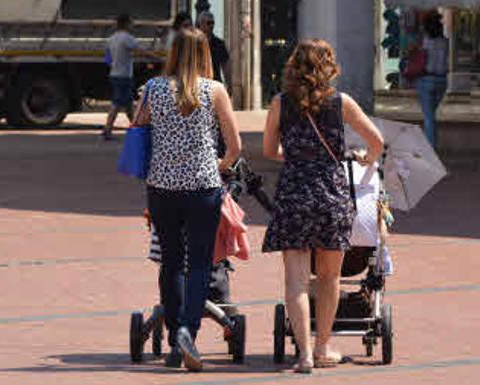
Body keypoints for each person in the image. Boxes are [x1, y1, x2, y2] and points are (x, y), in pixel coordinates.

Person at [262, 39, 384, 374]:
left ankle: (302, 354)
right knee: (330, 277)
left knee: (296, 281)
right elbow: (377, 141)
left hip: (294, 194)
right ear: (328, 67)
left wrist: (298, 156)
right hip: (332, 195)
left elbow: (270, 150)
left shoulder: (280, 103)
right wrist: (365, 158)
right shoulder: (341, 102)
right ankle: (322, 348)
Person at [133, 27, 241, 371]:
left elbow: (137, 128)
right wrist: (219, 167)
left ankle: (174, 329)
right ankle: (187, 332)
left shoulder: (153, 89)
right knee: (199, 263)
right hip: (202, 188)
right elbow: (235, 147)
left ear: (174, 53)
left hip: (162, 188)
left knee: (170, 261)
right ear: (205, 54)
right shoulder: (215, 91)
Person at [102, 14, 155, 140]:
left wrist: (116, 63)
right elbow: (141, 50)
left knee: (128, 103)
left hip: (115, 73)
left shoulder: (112, 38)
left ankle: (136, 128)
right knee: (117, 102)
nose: (133, 25)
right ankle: (108, 129)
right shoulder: (127, 38)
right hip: (124, 76)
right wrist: (155, 57)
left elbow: (107, 58)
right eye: (131, 23)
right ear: (125, 24)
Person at [415, 11, 449, 148]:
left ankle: (430, 148)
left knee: (429, 118)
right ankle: (430, 143)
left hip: (426, 80)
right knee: (431, 116)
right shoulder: (445, 42)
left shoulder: (424, 42)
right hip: (442, 81)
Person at [198, 11, 230, 86]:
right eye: (209, 23)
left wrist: (229, 84)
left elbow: (225, 66)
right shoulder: (195, 43)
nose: (211, 25)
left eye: (213, 23)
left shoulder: (219, 44)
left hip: (215, 83)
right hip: (199, 83)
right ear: (201, 24)